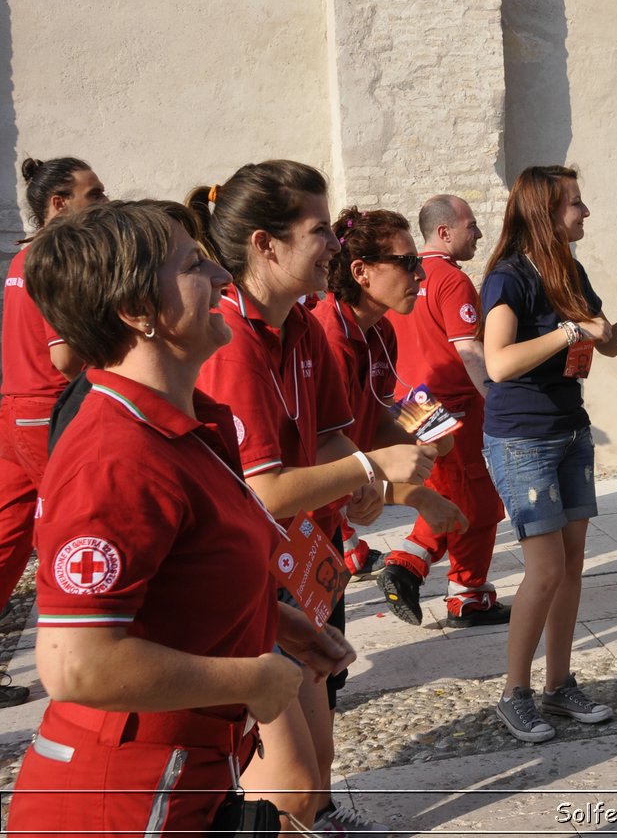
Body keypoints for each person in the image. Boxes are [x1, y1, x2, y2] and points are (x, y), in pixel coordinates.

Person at [7, 200, 352, 837]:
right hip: (125, 800)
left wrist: (277, 624)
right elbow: (76, 664)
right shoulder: (116, 454)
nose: (225, 277)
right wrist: (253, 674)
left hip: (181, 777)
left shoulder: (180, 428)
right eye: (194, 265)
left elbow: (179, 579)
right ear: (137, 312)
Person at [191, 161, 436, 834]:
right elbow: (266, 489)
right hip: (243, 576)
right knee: (288, 780)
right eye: (319, 229)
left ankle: (319, 820)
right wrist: (368, 466)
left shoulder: (301, 323)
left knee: (318, 758)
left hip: (299, 565)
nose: (334, 242)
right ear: (266, 245)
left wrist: (366, 479)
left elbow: (334, 433)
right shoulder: (231, 337)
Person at [480, 166, 617, 741]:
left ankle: (558, 685)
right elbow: (498, 362)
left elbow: (604, 341)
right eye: (575, 203)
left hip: (571, 432)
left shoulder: (567, 270)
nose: (585, 212)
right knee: (545, 571)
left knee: (571, 568)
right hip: (522, 439)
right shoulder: (508, 278)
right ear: (545, 213)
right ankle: (514, 693)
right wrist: (568, 333)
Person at [0, 156, 106, 708]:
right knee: (70, 532)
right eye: (95, 196)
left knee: (8, 541)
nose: (104, 204)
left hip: (15, 407)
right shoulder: (56, 258)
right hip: (46, 411)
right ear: (59, 204)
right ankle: (81, 656)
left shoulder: (23, 256)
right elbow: (65, 355)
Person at [312, 208, 467, 580]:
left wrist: (431, 430)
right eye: (407, 262)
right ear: (361, 272)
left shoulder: (382, 330)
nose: (420, 273)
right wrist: (414, 495)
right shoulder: (328, 337)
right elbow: (321, 455)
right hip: (300, 518)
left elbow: (380, 416)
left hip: (329, 513)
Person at [381, 194, 509, 628]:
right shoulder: (451, 280)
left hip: (410, 403)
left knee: (455, 492)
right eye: (470, 224)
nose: (477, 232)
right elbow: (468, 351)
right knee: (478, 497)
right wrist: (498, 398)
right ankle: (414, 566)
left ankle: (463, 591)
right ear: (444, 232)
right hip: (451, 405)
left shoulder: (404, 278)